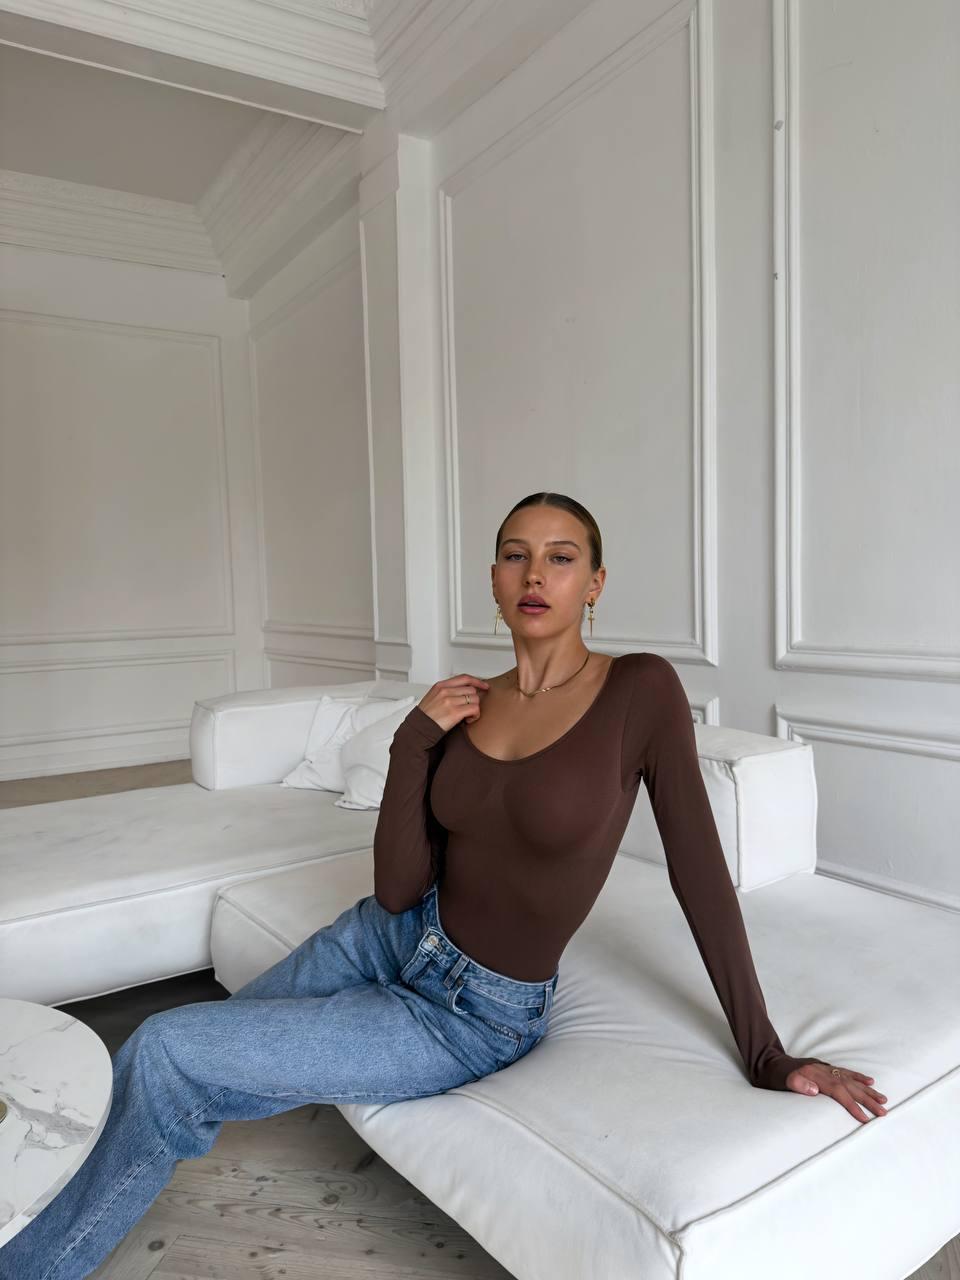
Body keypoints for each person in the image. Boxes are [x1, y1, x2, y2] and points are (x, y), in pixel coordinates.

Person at [0, 491, 886, 1280]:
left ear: (595, 583)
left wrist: (767, 1053)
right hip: (386, 936)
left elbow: (700, 873)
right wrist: (412, 743)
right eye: (514, 554)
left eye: (560, 557)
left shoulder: (638, 690)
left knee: (166, 1050)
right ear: (493, 580)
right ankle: (33, 1204)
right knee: (168, 1071)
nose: (534, 574)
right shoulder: (464, 704)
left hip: (472, 1014)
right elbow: (397, 889)